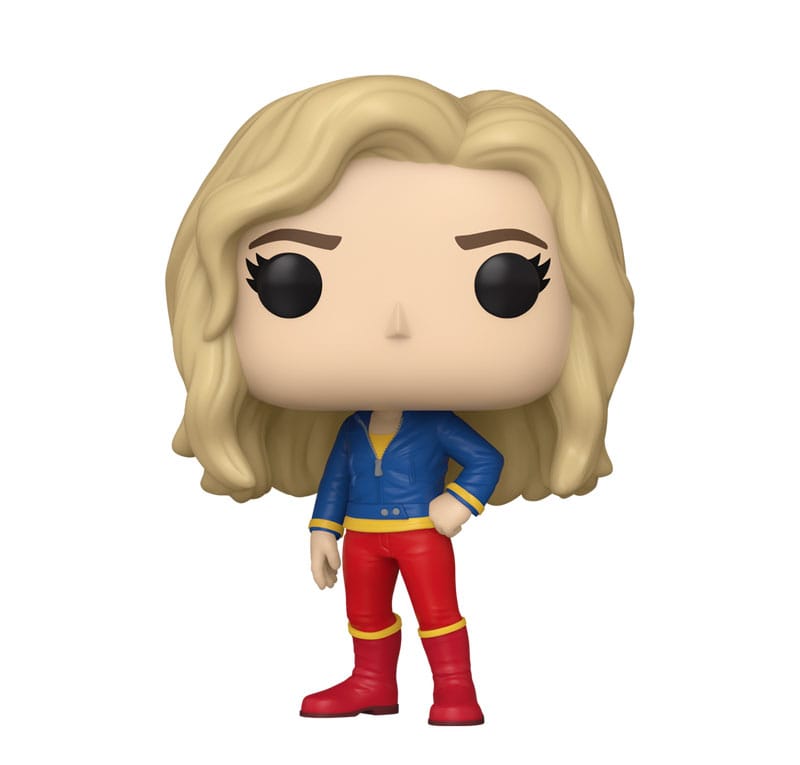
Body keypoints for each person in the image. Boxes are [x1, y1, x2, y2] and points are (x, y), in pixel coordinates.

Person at [165, 75, 634, 725]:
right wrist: (322, 530)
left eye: (505, 283)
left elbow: (485, 458)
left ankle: (455, 692)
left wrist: (460, 502)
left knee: (438, 615)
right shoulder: (355, 428)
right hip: (363, 535)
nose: (397, 324)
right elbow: (336, 478)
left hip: (420, 532)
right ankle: (371, 683)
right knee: (364, 613)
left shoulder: (436, 425)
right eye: (290, 280)